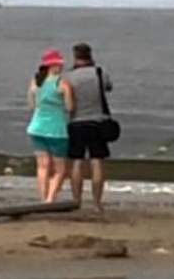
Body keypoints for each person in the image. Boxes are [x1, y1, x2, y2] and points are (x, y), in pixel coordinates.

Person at [64, 41, 114, 212]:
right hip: (97, 122)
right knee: (96, 161)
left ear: (75, 56)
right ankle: (97, 203)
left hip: (76, 121)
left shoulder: (68, 77)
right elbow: (108, 88)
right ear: (90, 55)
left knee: (77, 161)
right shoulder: (99, 73)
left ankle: (76, 200)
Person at [26, 48, 73, 202]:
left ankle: (43, 197)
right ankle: (50, 199)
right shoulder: (62, 83)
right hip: (56, 130)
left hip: (36, 127)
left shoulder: (36, 82)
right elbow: (69, 107)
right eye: (60, 64)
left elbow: (32, 105)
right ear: (55, 66)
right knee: (60, 169)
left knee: (42, 167)